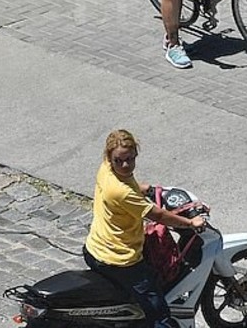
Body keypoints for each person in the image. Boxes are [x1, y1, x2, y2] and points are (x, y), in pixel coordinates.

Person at [84, 129, 205, 328]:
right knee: (159, 313)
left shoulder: (106, 169)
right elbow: (158, 215)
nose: (125, 165)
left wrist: (147, 189)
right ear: (109, 157)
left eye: (130, 159)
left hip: (94, 247)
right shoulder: (121, 193)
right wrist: (191, 223)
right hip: (120, 259)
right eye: (119, 161)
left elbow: (131, 186)